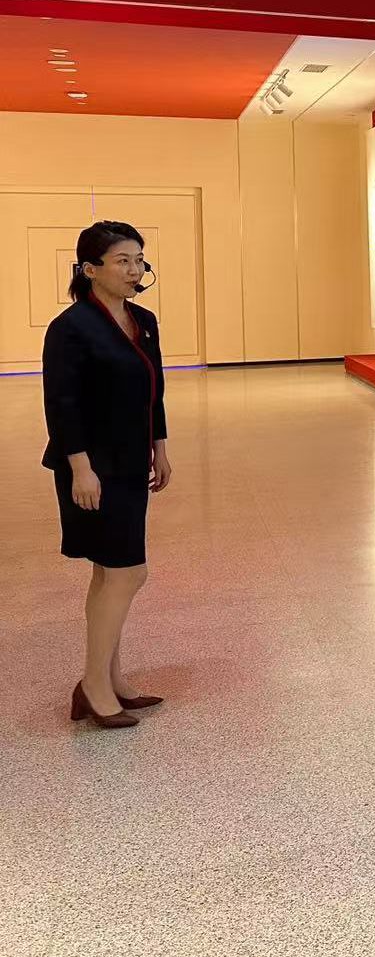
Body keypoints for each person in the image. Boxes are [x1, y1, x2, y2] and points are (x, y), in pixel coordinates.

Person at [42, 221, 172, 730]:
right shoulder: (71, 328)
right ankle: (94, 685)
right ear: (90, 269)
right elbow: (62, 404)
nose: (134, 269)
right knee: (126, 572)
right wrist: (80, 467)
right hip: (92, 468)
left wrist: (160, 447)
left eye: (139, 259)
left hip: (131, 462)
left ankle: (109, 679)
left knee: (109, 573)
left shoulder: (143, 320)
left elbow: (154, 392)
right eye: (122, 260)